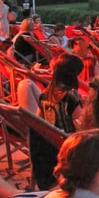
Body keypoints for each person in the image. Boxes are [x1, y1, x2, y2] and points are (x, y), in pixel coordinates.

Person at [25, 54, 85, 190]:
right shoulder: (71, 95)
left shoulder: (46, 94)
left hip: (51, 141)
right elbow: (79, 123)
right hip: (69, 140)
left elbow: (39, 119)